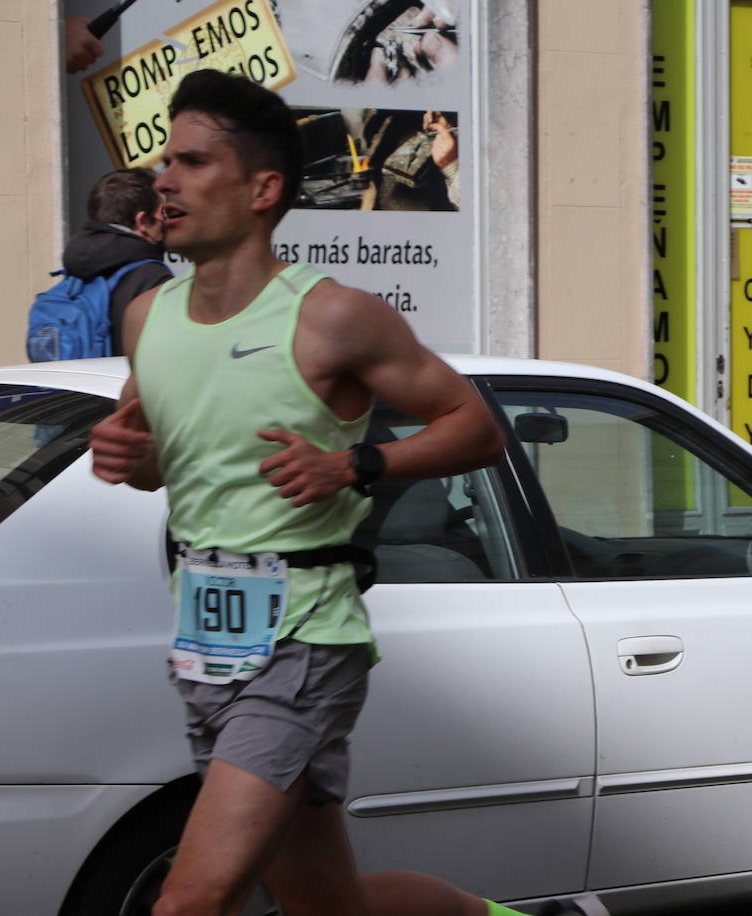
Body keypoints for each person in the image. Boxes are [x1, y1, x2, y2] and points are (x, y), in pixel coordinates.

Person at [86, 67, 537, 916]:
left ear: (262, 188)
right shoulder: (149, 316)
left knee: (190, 902)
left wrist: (356, 465)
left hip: (304, 635)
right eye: (162, 161)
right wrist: (125, 454)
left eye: (189, 162)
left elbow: (475, 427)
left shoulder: (331, 316)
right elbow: (152, 459)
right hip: (204, 635)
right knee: (333, 908)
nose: (163, 181)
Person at [63, 167, 172, 355]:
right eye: (162, 214)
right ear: (142, 221)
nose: (166, 222)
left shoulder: (77, 271)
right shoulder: (151, 277)